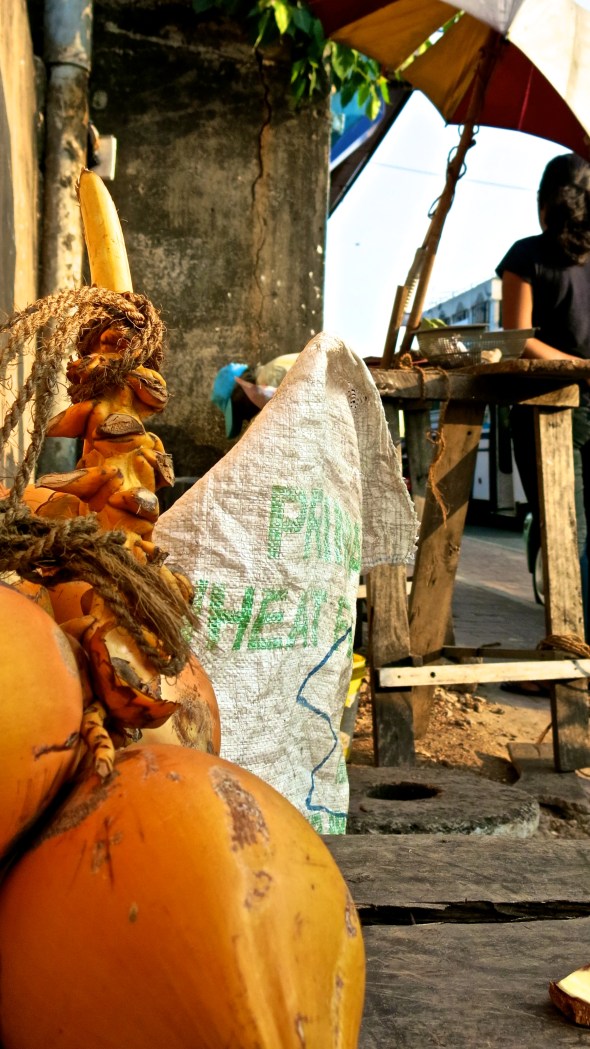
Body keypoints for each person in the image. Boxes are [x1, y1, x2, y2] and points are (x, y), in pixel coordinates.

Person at [496, 151, 590, 645]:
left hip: (546, 410)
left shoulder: (525, 255)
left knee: (562, 533)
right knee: (577, 535)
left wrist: (575, 367)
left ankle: (568, 655)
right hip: (583, 404)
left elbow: (517, 339)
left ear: (544, 202)